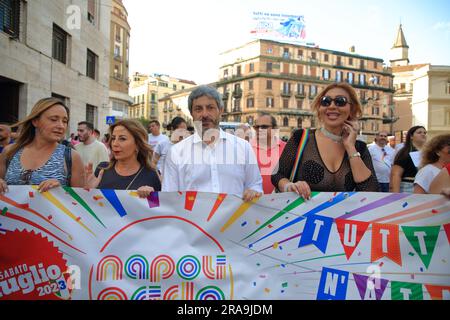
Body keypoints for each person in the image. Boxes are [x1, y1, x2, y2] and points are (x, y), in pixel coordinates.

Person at [272, 82, 379, 199]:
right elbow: (277, 174)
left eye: (340, 101)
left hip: (343, 216)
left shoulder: (360, 148)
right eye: (325, 101)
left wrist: (350, 147)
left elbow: (370, 190)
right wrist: (289, 186)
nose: (332, 106)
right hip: (302, 216)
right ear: (319, 108)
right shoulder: (301, 138)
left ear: (351, 109)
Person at [162, 85, 263, 201]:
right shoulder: (175, 152)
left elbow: (255, 185)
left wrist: (253, 191)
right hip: (193, 219)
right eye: (198, 109)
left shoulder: (243, 147)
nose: (204, 114)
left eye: (210, 108)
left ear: (221, 110)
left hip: (235, 219)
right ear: (191, 113)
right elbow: (168, 198)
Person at [0, 97, 85, 193]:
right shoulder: (10, 152)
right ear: (35, 121)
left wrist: (61, 191)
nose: (61, 126)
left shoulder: (72, 157)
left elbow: (81, 203)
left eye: (64, 121)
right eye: (53, 119)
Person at [85, 119, 161, 198]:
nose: (115, 144)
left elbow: (159, 207)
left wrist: (151, 197)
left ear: (138, 144)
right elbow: (89, 205)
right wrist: (89, 191)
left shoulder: (152, 174)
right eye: (113, 138)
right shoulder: (102, 169)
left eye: (122, 139)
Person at [251, 113, 286, 194]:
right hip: (252, 201)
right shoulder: (247, 148)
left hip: (281, 201)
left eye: (264, 127)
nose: (259, 129)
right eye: (256, 127)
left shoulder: (286, 148)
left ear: (274, 128)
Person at [390, 126, 427, 193]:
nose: (423, 134)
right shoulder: (404, 152)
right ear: (411, 136)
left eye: (425, 133)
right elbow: (396, 174)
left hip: (424, 187)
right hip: (408, 188)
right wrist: (395, 195)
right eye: (419, 132)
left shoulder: (428, 153)